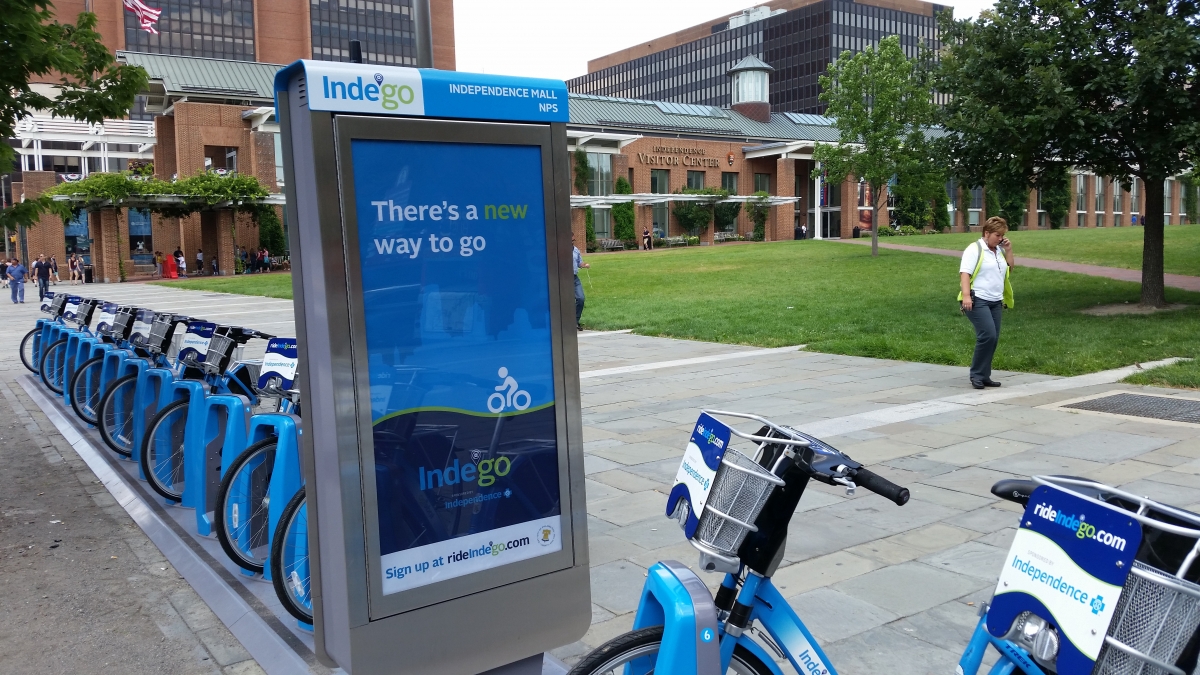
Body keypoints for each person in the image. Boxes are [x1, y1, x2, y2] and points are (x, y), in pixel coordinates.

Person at [959, 216, 1015, 389]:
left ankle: (984, 376)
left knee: (993, 338)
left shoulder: (998, 251)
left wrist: (1008, 250)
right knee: (987, 335)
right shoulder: (974, 249)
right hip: (978, 300)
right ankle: (976, 375)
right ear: (987, 233)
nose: (1000, 239)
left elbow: (1009, 268)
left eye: (1002, 235)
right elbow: (965, 274)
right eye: (997, 235)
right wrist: (966, 296)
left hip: (995, 301)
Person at [573, 236, 590, 331]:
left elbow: (579, 263)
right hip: (563, 279)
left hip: (574, 278)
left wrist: (584, 265)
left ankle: (575, 321)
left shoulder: (576, 250)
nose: (572, 242)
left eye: (573, 240)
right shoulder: (560, 250)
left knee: (581, 298)